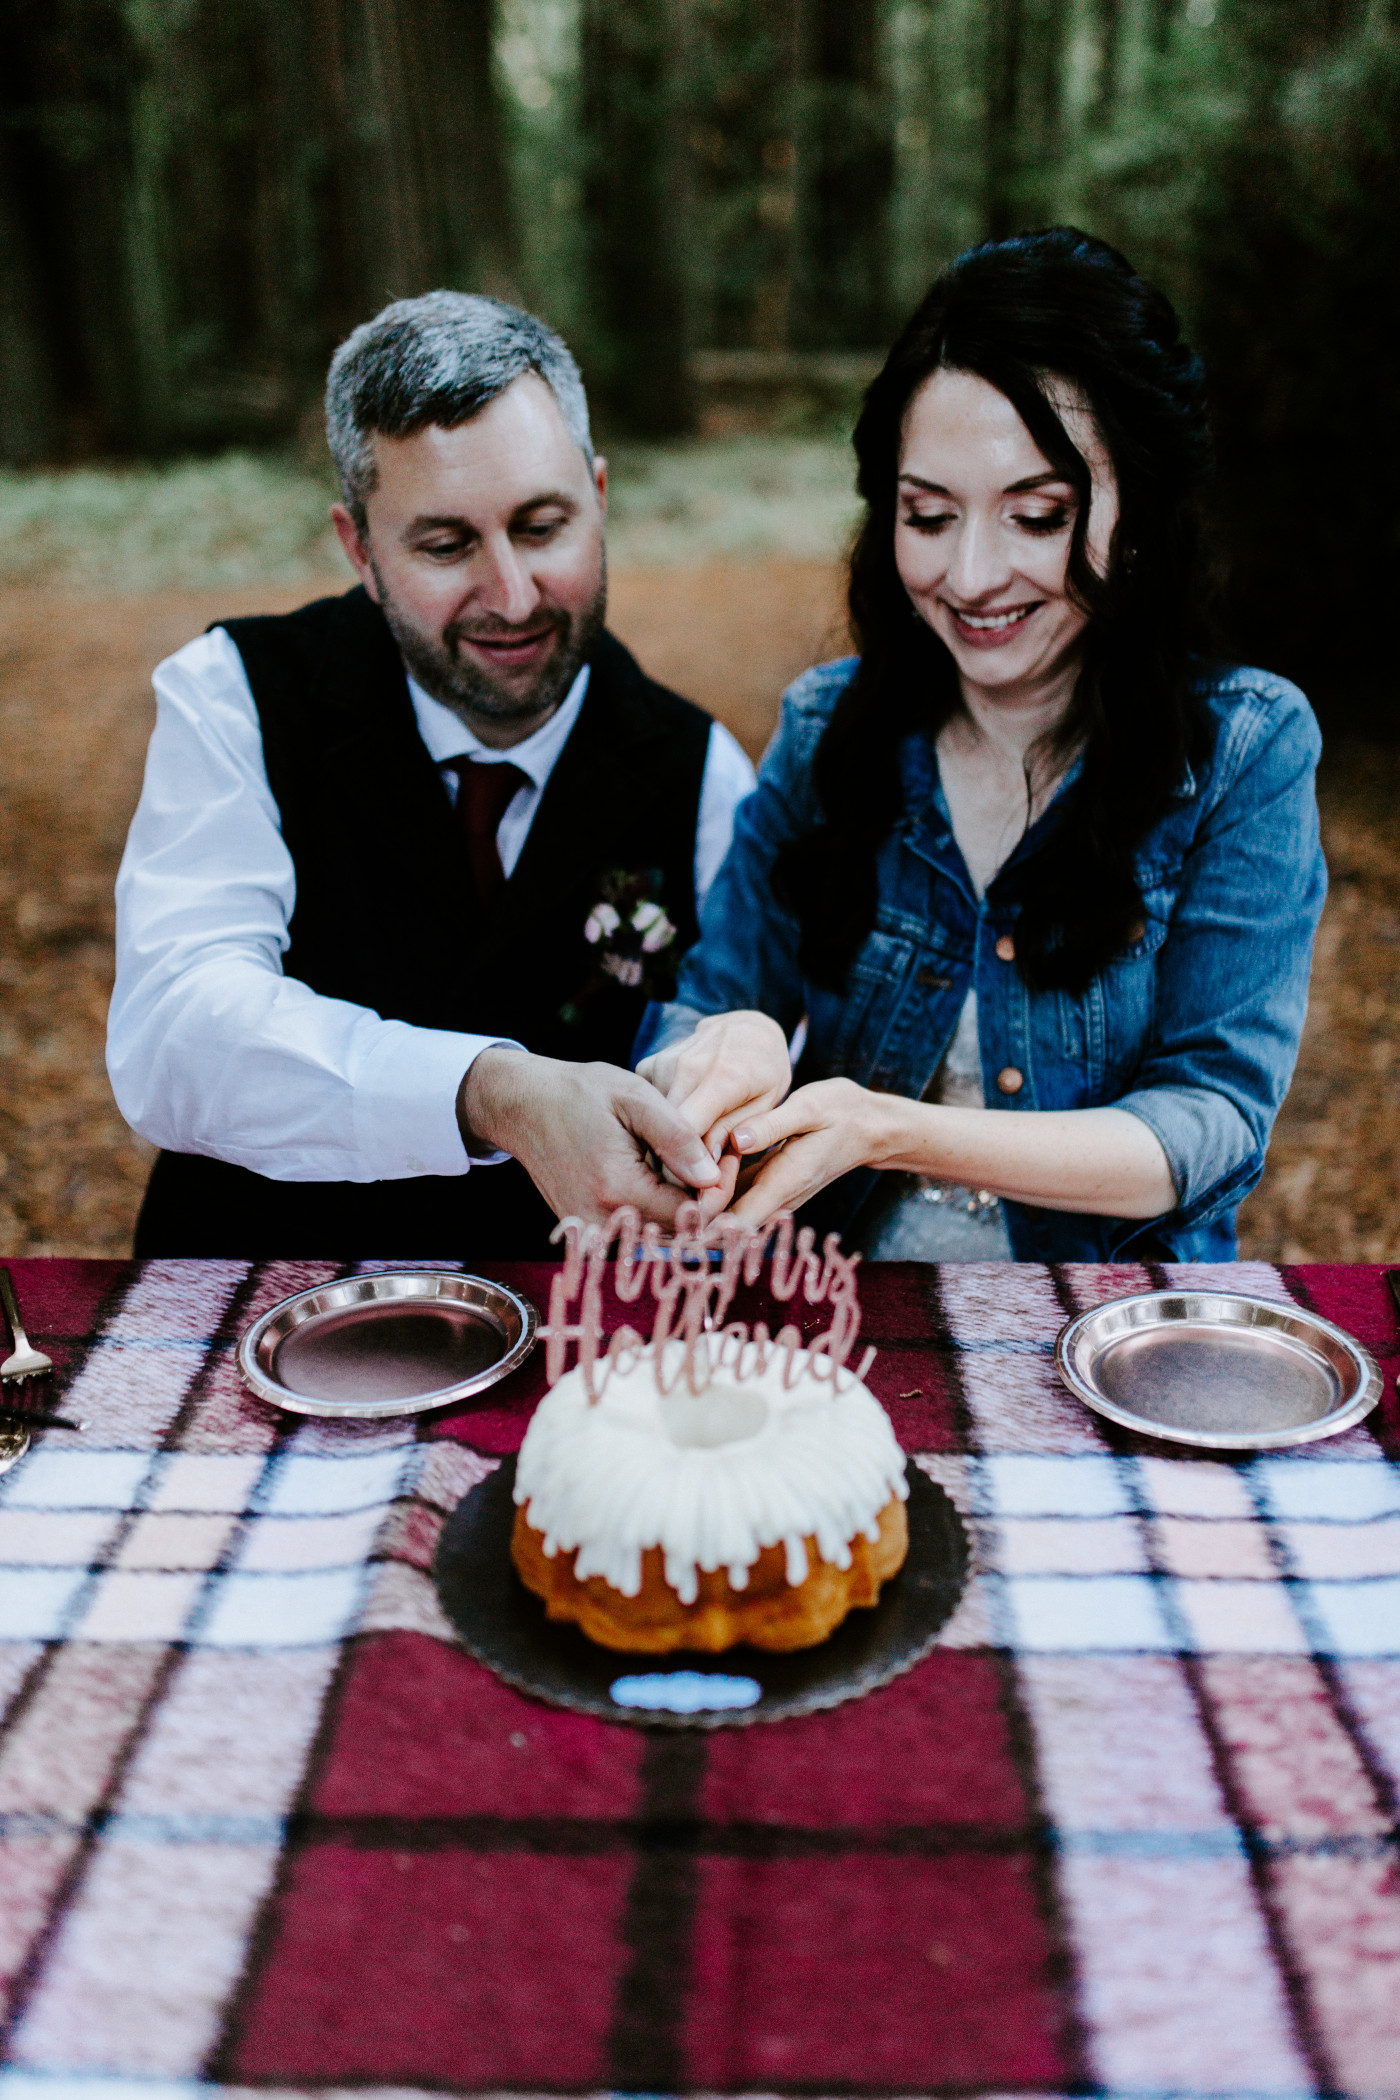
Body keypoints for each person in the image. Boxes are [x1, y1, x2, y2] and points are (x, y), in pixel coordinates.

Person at [638, 228, 1326, 1263]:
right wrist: (710, 1051)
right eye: (927, 514)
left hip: (1109, 1328)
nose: (968, 575)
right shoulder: (827, 730)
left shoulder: (1240, 751)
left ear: (1134, 519)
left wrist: (894, 1131)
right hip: (838, 1311)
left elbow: (1209, 1120)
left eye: (1035, 515)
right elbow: (707, 1003)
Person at [108, 292, 755, 1257]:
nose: (512, 594)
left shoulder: (701, 770)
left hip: (561, 1320)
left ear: (601, 498)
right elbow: (175, 1032)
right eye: (446, 545)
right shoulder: (236, 695)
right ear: (359, 550)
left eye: (543, 527)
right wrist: (486, 1092)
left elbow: (720, 1031)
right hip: (255, 1291)